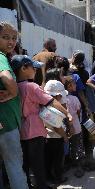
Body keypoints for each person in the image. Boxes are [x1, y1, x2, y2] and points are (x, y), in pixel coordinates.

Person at [11, 55, 71, 188]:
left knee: (25, 163)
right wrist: (67, 113)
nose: (35, 70)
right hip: (34, 130)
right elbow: (51, 100)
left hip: (20, 128)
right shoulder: (32, 86)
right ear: (23, 68)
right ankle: (42, 186)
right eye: (33, 67)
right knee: (38, 162)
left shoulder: (13, 86)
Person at [0, 21, 28, 189]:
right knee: (14, 167)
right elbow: (8, 80)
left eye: (13, 38)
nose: (11, 42)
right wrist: (13, 92)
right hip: (7, 123)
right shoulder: (1, 57)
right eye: (5, 37)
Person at [44, 80, 70, 185]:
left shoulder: (44, 105)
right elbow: (57, 127)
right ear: (57, 96)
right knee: (57, 160)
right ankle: (58, 178)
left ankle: (49, 177)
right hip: (56, 137)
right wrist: (65, 137)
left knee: (49, 159)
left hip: (46, 137)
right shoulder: (54, 108)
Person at [64, 77, 86, 178]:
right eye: (74, 84)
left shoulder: (63, 99)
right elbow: (78, 111)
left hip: (67, 127)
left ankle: (72, 160)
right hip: (76, 126)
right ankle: (79, 161)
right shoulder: (74, 99)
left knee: (71, 144)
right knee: (78, 144)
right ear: (69, 86)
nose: (76, 86)